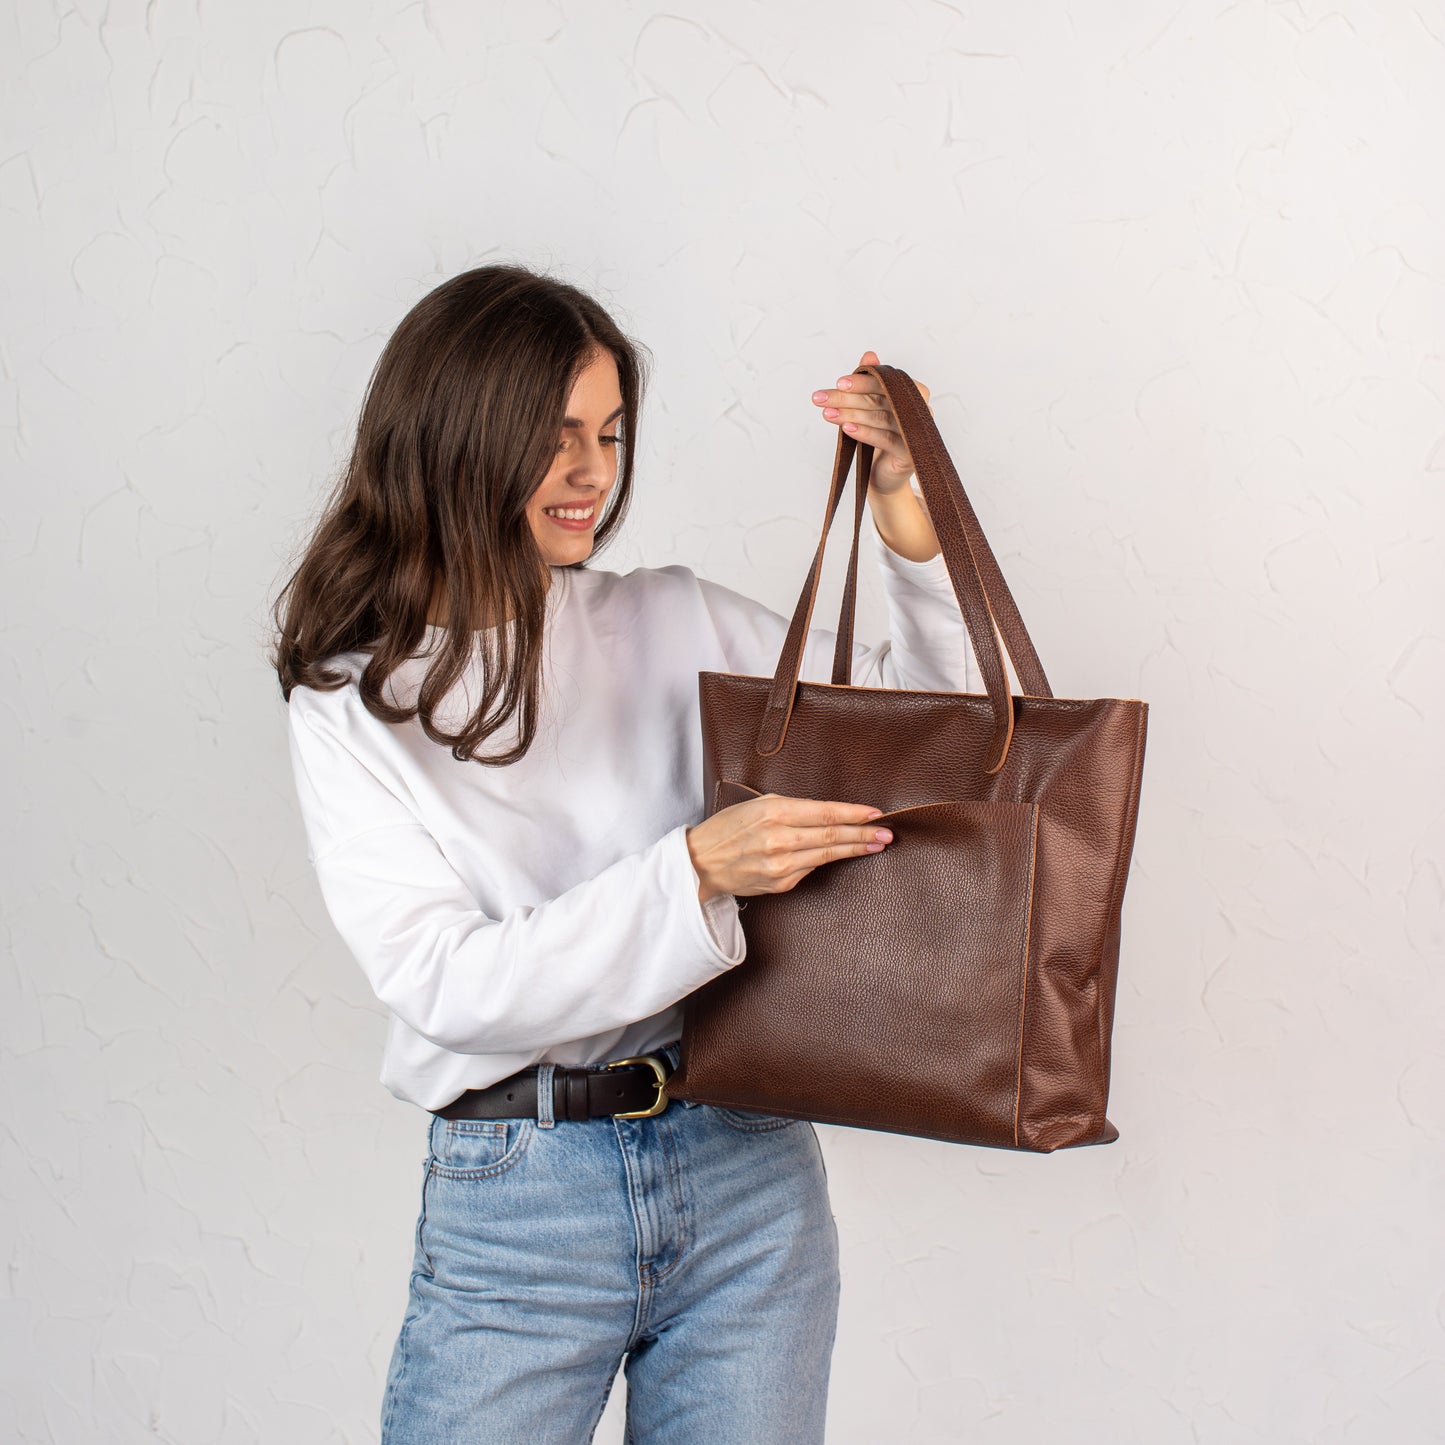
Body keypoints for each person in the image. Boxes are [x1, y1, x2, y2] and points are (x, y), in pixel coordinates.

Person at [271, 264, 971, 1444]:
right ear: (454, 438)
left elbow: (926, 750)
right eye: (552, 437)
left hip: (746, 1172)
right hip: (518, 1199)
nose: (592, 470)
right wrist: (693, 870)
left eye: (607, 432)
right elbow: (447, 982)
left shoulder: (673, 617)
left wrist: (904, 506)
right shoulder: (350, 702)